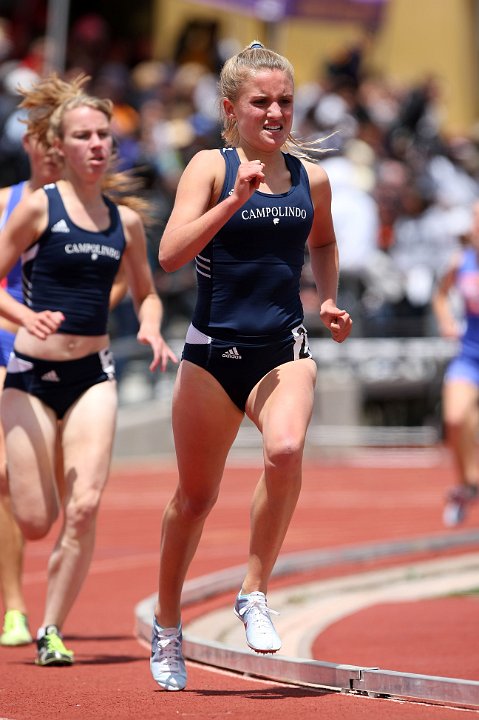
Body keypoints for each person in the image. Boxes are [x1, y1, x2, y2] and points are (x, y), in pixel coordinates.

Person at [149, 41, 352, 692]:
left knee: (286, 448)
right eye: (261, 101)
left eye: (285, 101)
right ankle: (168, 626)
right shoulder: (211, 166)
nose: (275, 112)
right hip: (212, 356)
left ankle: (253, 591)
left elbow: (321, 240)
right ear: (231, 109)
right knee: (193, 500)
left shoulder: (308, 178)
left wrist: (328, 302)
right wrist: (231, 201)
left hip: (282, 349)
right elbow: (171, 256)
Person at [0, 74, 177, 667]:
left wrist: (150, 326)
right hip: (28, 374)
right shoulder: (34, 209)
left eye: (105, 135)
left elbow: (148, 293)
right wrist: (27, 316)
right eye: (85, 136)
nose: (98, 145)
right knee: (35, 519)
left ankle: (51, 628)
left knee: (84, 505)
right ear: (61, 147)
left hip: (93, 376)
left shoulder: (124, 223)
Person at [0, 123, 64, 647]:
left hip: (68, 350)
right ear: (29, 145)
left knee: (63, 488)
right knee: (4, 475)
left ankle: (54, 611)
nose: (50, 151)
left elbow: (116, 282)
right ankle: (15, 607)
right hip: (5, 345)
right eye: (40, 141)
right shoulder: (5, 203)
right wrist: (20, 322)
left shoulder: (89, 210)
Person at [433, 199, 479, 527]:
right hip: (469, 356)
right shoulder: (461, 261)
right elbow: (440, 295)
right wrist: (447, 321)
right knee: (455, 418)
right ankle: (467, 485)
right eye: (475, 217)